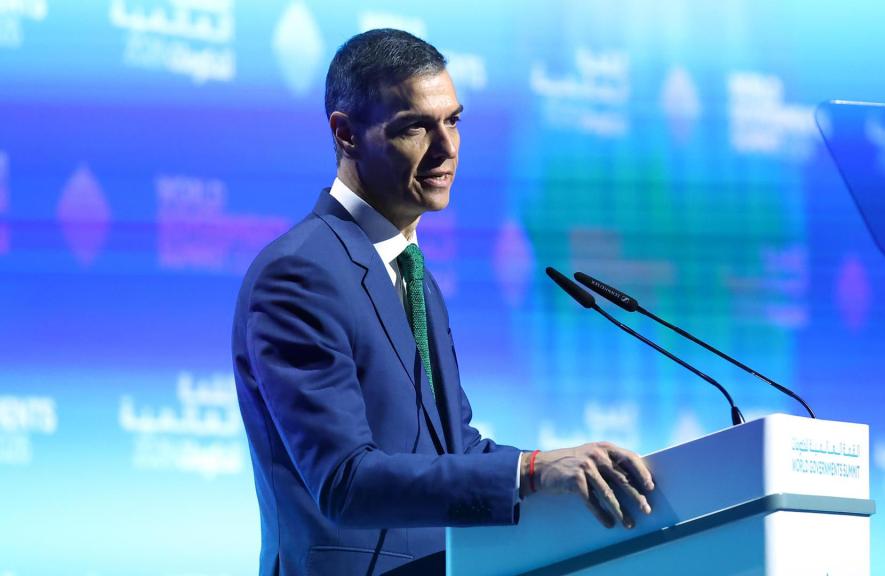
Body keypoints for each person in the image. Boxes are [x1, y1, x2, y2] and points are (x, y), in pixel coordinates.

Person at [232, 28, 654, 575]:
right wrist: (528, 471)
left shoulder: (414, 274)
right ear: (346, 134)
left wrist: (569, 469)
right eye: (415, 127)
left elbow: (452, 451)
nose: (447, 147)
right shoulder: (301, 273)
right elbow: (342, 481)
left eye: (453, 121)